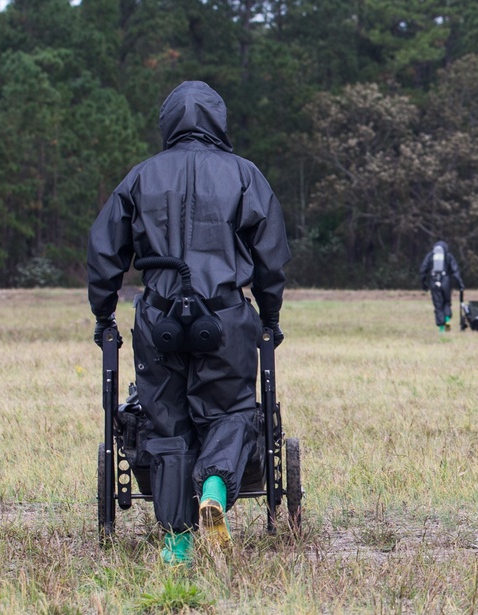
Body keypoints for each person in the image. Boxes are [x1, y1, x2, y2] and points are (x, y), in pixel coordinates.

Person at [87, 81, 291, 566]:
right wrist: (270, 315)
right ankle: (215, 488)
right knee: (232, 410)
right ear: (219, 121)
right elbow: (271, 254)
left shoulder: (140, 177)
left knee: (167, 422)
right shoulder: (244, 174)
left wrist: (102, 315)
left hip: (158, 315)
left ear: (168, 123)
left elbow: (103, 251)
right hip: (222, 314)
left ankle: (176, 543)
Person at [419, 240, 465, 332]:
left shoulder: (430, 256)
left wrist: (424, 284)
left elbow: (422, 270)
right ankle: (447, 322)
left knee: (438, 305)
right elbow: (455, 271)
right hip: (446, 281)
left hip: (433, 281)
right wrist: (460, 284)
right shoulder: (448, 256)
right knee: (447, 302)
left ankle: (441, 329)